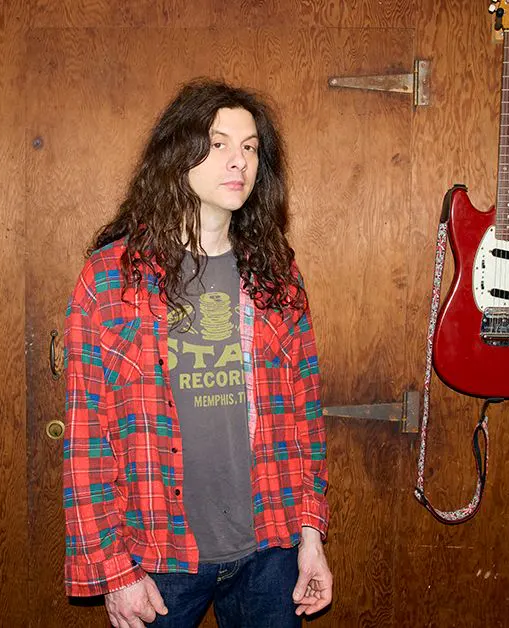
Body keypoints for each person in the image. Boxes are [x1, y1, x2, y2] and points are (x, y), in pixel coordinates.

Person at [61, 79, 332, 628]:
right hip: (157, 556)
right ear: (178, 154)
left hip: (270, 547)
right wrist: (113, 571)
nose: (239, 161)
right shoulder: (112, 279)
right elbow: (86, 437)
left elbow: (305, 413)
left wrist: (311, 536)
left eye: (250, 147)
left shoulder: (277, 274)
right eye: (219, 143)